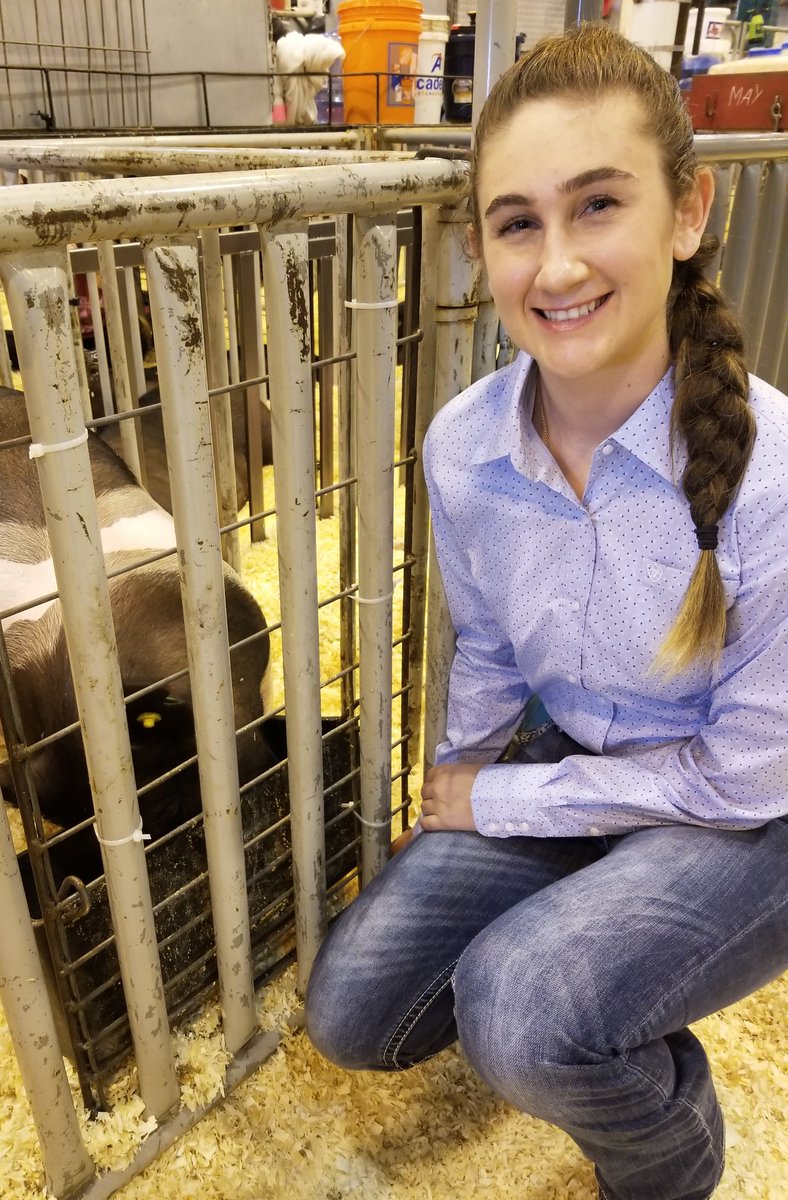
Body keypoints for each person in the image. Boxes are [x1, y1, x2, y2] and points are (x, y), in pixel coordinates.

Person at [305, 21, 788, 1200]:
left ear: (688, 213)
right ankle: (607, 1002)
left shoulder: (774, 477)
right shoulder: (465, 446)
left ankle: (670, 1159)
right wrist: (457, 789)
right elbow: (483, 647)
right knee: (351, 1012)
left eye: (599, 205)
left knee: (521, 1008)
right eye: (519, 221)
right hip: (573, 759)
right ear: (484, 247)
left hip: (751, 812)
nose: (557, 266)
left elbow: (744, 776)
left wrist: (509, 795)